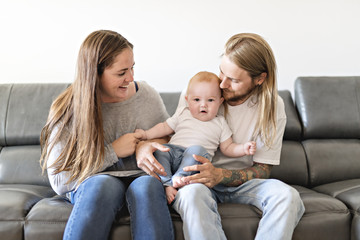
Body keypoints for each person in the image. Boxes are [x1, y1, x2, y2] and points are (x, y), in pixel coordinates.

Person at [40, 30, 174, 240]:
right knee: (103, 184)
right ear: (95, 73)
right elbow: (60, 181)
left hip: (140, 178)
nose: (130, 78)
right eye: (121, 73)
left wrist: (145, 145)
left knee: (148, 185)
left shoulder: (146, 95)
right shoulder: (67, 110)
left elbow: (169, 137)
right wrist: (113, 152)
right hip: (94, 185)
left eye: (132, 68)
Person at [171, 33, 305, 240]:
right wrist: (144, 145)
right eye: (221, 72)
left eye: (233, 80)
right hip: (198, 181)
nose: (222, 84)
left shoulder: (272, 106)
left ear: (260, 79)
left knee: (288, 196)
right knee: (190, 195)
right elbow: (170, 135)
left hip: (242, 183)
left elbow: (263, 168)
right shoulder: (200, 93)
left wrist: (220, 175)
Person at [136, 71, 256, 204]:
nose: (203, 105)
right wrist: (146, 135)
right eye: (197, 100)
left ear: (220, 102)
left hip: (194, 160)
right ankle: (167, 184)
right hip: (173, 151)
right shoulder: (183, 113)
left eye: (210, 100)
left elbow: (228, 147)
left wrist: (244, 149)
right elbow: (164, 127)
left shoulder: (220, 123)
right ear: (187, 100)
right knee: (160, 151)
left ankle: (180, 177)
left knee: (197, 150)